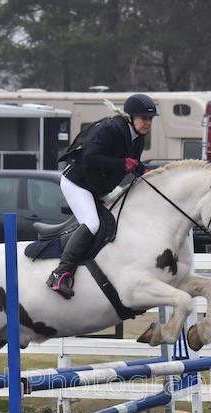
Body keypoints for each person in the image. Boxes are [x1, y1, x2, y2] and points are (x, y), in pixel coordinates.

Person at [46, 93, 158, 298]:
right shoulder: (112, 130)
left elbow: (133, 162)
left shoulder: (138, 138)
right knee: (92, 223)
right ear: (131, 118)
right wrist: (122, 164)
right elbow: (91, 158)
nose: (148, 123)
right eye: (144, 118)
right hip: (77, 183)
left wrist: (146, 172)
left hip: (97, 187)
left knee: (121, 218)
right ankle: (60, 274)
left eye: (150, 119)